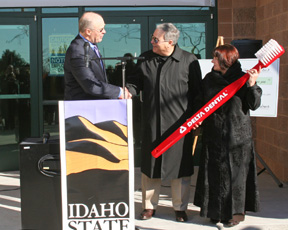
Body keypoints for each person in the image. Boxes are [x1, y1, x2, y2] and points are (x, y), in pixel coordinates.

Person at [127, 23, 202, 222]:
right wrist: (128, 91)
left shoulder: (189, 60)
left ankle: (180, 208)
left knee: (181, 167)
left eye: (155, 39)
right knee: (150, 166)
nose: (151, 42)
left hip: (179, 125)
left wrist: (195, 119)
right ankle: (148, 206)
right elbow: (135, 84)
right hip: (152, 123)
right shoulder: (145, 58)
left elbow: (197, 94)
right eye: (152, 38)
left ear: (170, 42)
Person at [193, 44, 262, 227]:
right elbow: (200, 101)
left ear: (224, 60)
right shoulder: (209, 79)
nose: (212, 61)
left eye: (215, 58)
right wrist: (197, 117)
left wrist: (253, 85)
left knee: (236, 178)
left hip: (238, 137)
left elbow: (253, 104)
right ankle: (214, 212)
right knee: (214, 175)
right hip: (213, 135)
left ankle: (234, 215)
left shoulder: (243, 78)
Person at [64, 12, 131, 100]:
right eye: (101, 29)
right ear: (88, 31)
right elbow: (91, 85)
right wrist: (118, 92)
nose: (104, 32)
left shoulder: (90, 45)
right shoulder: (78, 50)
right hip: (83, 109)